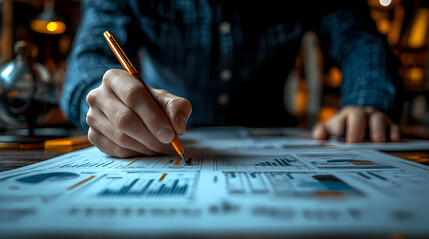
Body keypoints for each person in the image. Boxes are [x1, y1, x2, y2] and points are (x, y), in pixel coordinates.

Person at [61, 0, 403, 158]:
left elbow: (358, 37)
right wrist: (107, 102)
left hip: (277, 136)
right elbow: (90, 57)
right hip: (155, 137)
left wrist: (368, 100)